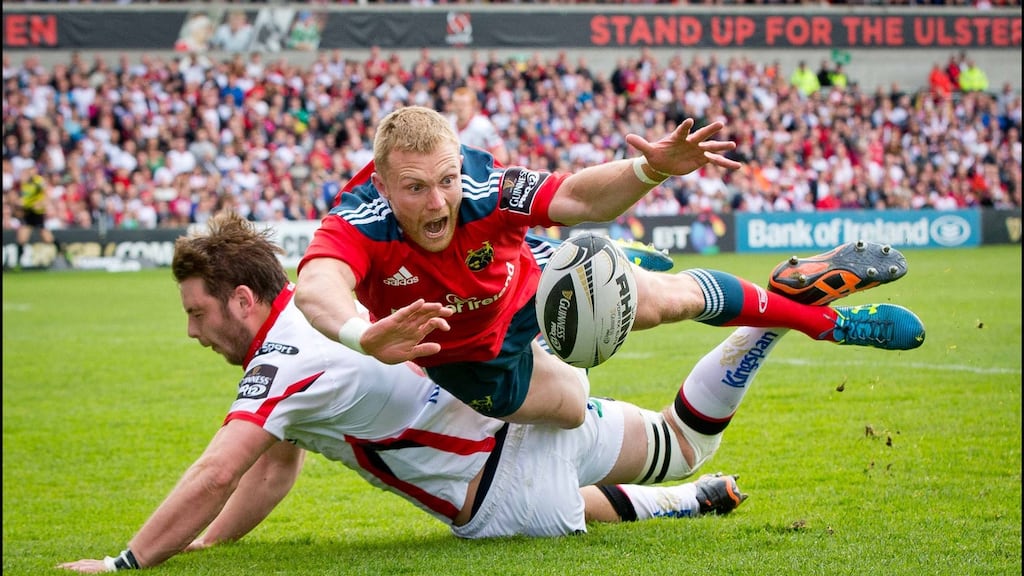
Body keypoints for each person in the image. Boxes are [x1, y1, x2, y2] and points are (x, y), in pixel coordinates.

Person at [58, 213, 907, 572]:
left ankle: (689, 498)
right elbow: (272, 472)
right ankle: (772, 317)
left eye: (198, 312)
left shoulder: (278, 363)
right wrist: (208, 547)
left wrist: (129, 563)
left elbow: (220, 470)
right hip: (523, 405)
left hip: (494, 484)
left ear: (244, 299)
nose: (192, 329)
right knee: (681, 442)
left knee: (560, 510)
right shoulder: (334, 313)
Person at [294, 106, 926, 431]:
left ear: (462, 167)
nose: (437, 203)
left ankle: (825, 324)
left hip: (527, 287)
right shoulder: (360, 219)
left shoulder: (486, 188)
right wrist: (361, 335)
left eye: (447, 181)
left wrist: (650, 169)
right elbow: (319, 285)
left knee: (661, 302)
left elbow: (575, 198)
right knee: (572, 405)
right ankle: (616, 268)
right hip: (470, 361)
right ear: (381, 182)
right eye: (415, 189)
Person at [15, 163, 64, 269]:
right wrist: (21, 203)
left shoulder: (39, 181)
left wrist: (41, 203)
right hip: (28, 213)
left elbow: (47, 194)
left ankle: (63, 253)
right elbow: (24, 197)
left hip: (37, 214)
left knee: (47, 238)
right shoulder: (25, 183)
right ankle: (18, 263)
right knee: (21, 239)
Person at [448, 86, 510, 166]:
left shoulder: (483, 125)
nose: (460, 108)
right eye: (456, 104)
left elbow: (502, 156)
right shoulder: (448, 124)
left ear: (473, 106)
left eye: (463, 104)